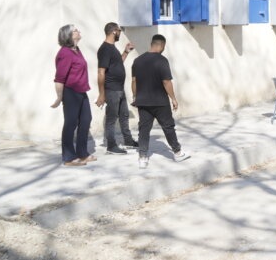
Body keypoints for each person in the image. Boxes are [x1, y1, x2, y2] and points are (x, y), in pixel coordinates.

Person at [131, 34, 190, 169]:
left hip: (143, 101)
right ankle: (178, 152)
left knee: (144, 129)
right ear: (161, 45)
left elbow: (134, 81)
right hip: (160, 101)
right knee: (168, 127)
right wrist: (173, 99)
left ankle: (142, 158)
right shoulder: (162, 60)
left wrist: (135, 97)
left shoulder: (137, 60)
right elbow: (166, 81)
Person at [51, 24, 96, 166]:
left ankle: (82, 153)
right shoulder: (64, 53)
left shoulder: (76, 50)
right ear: (69, 35)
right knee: (71, 124)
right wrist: (59, 97)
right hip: (70, 92)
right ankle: (68, 157)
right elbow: (59, 78)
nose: (79, 31)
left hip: (81, 91)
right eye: (75, 30)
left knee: (86, 120)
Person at [95, 22, 137, 154]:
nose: (120, 33)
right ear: (114, 31)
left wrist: (125, 52)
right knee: (111, 118)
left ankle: (128, 140)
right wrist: (102, 94)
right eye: (119, 30)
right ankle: (111, 146)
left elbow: (118, 63)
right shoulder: (105, 49)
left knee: (124, 115)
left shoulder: (112, 48)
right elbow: (101, 72)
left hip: (119, 88)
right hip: (111, 89)